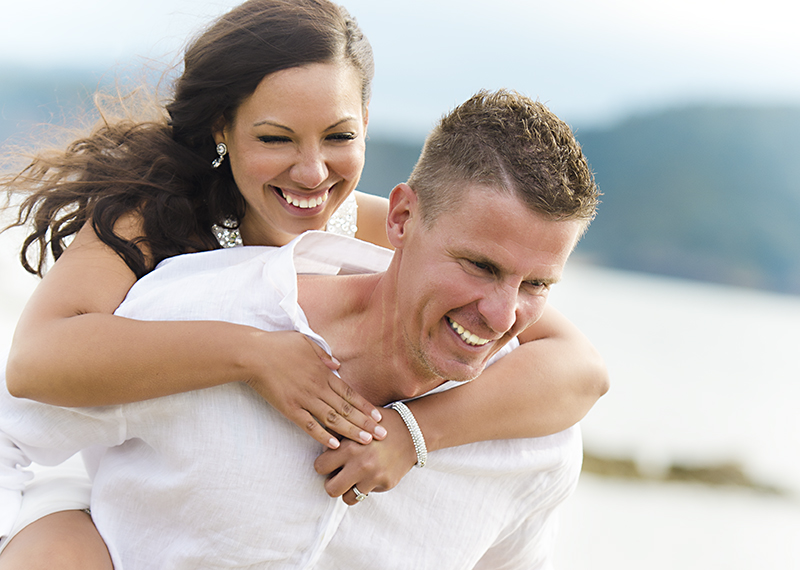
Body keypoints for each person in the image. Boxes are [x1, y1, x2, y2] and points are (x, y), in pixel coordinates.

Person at [0, 0, 606, 567]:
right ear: (222, 130)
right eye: (274, 138)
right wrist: (254, 355)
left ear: (365, 124)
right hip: (89, 466)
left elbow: (576, 368)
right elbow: (34, 366)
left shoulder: (369, 220)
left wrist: (414, 433)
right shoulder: (149, 219)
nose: (313, 171)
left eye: (339, 137)